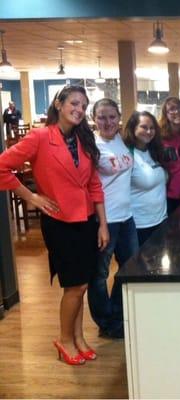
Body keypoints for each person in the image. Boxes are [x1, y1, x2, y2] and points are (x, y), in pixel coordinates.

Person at [0, 85, 109, 365]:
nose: (79, 109)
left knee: (81, 285)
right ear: (59, 104)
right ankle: (64, 339)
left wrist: (103, 224)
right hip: (59, 222)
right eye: (74, 103)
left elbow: (95, 184)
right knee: (74, 286)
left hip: (86, 220)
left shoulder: (83, 139)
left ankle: (78, 336)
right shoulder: (40, 137)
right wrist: (31, 196)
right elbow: (2, 166)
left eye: (83, 106)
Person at [88, 98, 138, 339]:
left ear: (119, 118)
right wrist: (103, 224)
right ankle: (105, 322)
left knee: (129, 269)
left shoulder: (121, 140)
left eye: (111, 116)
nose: (107, 122)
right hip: (105, 221)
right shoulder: (92, 146)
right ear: (94, 119)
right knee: (99, 274)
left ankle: (117, 313)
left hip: (127, 218)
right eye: (101, 117)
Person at [123, 111, 167, 246]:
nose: (149, 131)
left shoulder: (155, 151)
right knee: (140, 266)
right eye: (144, 127)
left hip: (161, 220)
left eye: (152, 128)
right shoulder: (126, 154)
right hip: (139, 225)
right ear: (133, 128)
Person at [158, 97, 180, 214]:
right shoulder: (159, 137)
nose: (177, 112)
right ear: (166, 114)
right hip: (167, 196)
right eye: (172, 109)